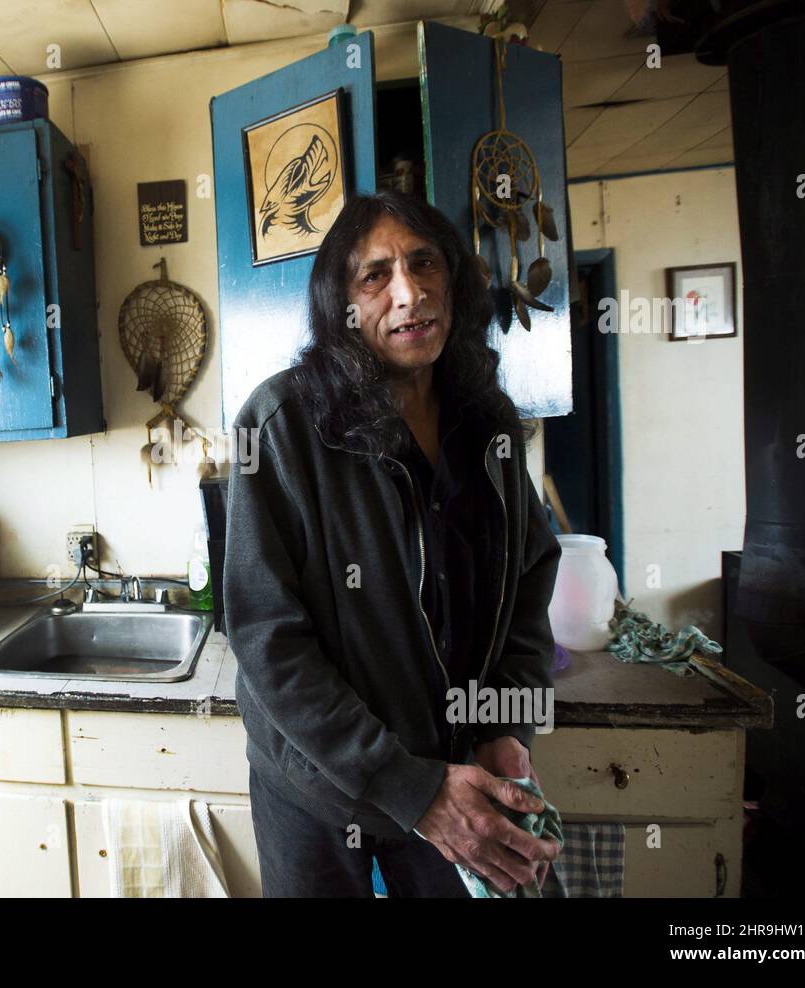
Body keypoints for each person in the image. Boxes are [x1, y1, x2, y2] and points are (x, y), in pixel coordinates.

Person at [224, 191, 563, 897]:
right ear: (338, 302)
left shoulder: (486, 419)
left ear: (453, 281)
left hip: (454, 770)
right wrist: (407, 787)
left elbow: (530, 577)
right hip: (317, 792)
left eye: (424, 263)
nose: (408, 293)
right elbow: (266, 636)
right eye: (374, 275)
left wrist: (508, 721)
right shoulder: (280, 423)